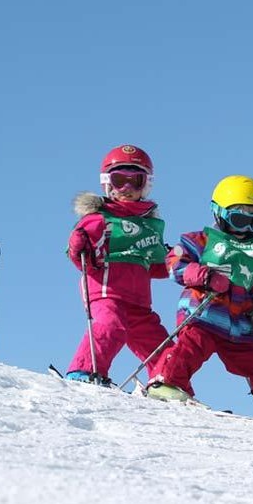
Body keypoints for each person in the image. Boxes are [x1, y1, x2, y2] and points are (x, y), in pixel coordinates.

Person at [146, 175, 253, 430]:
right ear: (219, 213)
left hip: (240, 325)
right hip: (205, 313)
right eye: (239, 219)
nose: (246, 229)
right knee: (189, 349)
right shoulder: (199, 240)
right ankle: (166, 383)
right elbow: (174, 262)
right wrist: (204, 275)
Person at [65, 144, 171, 385]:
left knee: (160, 344)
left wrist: (177, 262)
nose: (126, 188)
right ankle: (84, 371)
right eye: (119, 179)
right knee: (110, 327)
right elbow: (78, 254)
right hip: (106, 292)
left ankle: (169, 384)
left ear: (147, 184)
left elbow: (155, 265)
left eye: (136, 181)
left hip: (139, 302)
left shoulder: (150, 225)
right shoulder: (100, 218)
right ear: (107, 183)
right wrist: (79, 242)